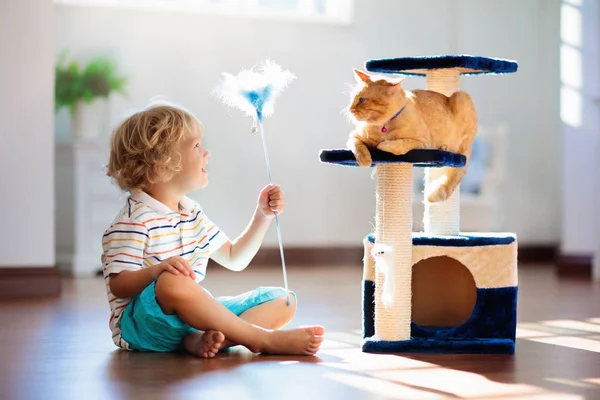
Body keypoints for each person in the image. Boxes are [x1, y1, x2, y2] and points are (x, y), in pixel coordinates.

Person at [101, 102, 324, 358]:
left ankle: (199, 339)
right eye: (196, 146)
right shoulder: (134, 221)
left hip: (187, 319)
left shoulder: (191, 213)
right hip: (141, 327)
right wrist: (157, 271)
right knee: (172, 282)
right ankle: (260, 339)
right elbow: (118, 284)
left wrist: (262, 216)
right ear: (161, 164)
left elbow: (234, 258)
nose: (206, 153)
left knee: (283, 300)